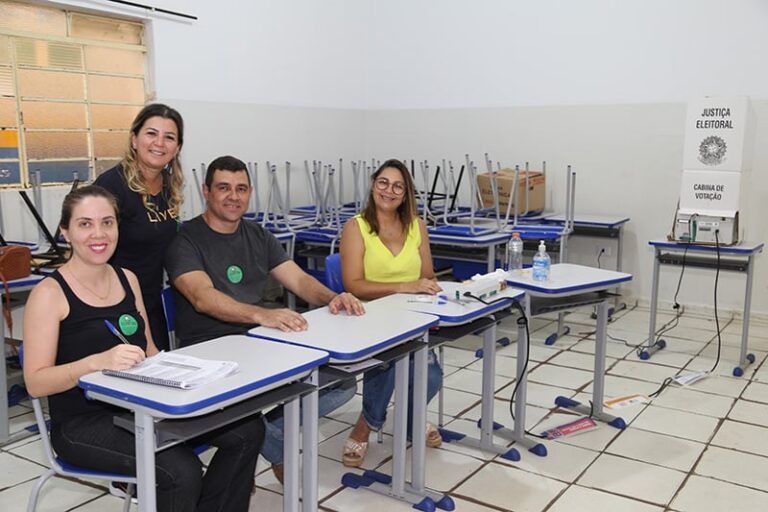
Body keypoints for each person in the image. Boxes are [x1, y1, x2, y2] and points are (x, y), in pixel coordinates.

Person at [23, 186, 263, 512]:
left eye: (108, 223)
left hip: (141, 407)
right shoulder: (49, 294)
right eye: (85, 224)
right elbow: (36, 382)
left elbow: (149, 350)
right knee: (180, 471)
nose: (99, 233)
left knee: (248, 431)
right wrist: (95, 363)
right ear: (65, 231)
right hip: (84, 424)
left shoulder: (127, 279)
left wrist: (193, 375)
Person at [165, 155, 365, 482]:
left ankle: (265, 435)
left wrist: (334, 297)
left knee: (340, 384)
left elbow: (298, 281)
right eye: (224, 188)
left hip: (260, 340)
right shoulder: (185, 240)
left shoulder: (257, 234)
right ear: (206, 191)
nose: (233, 196)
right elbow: (202, 297)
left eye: (241, 189)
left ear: (250, 192)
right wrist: (262, 314)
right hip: (210, 349)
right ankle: (273, 447)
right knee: (243, 411)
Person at [338, 158, 444, 467]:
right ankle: (366, 424)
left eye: (398, 185)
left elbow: (429, 275)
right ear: (373, 185)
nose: (389, 190)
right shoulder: (356, 227)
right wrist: (404, 286)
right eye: (383, 182)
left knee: (432, 375)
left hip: (412, 317)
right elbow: (353, 285)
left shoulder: (417, 226)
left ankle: (411, 418)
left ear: (406, 193)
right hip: (369, 317)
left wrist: (428, 288)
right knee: (389, 367)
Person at [94, 103, 185, 351]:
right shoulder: (112, 186)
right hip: (114, 307)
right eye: (151, 133)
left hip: (150, 303)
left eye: (169, 137)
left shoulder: (169, 186)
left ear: (177, 148)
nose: (159, 143)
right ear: (134, 139)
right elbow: (90, 253)